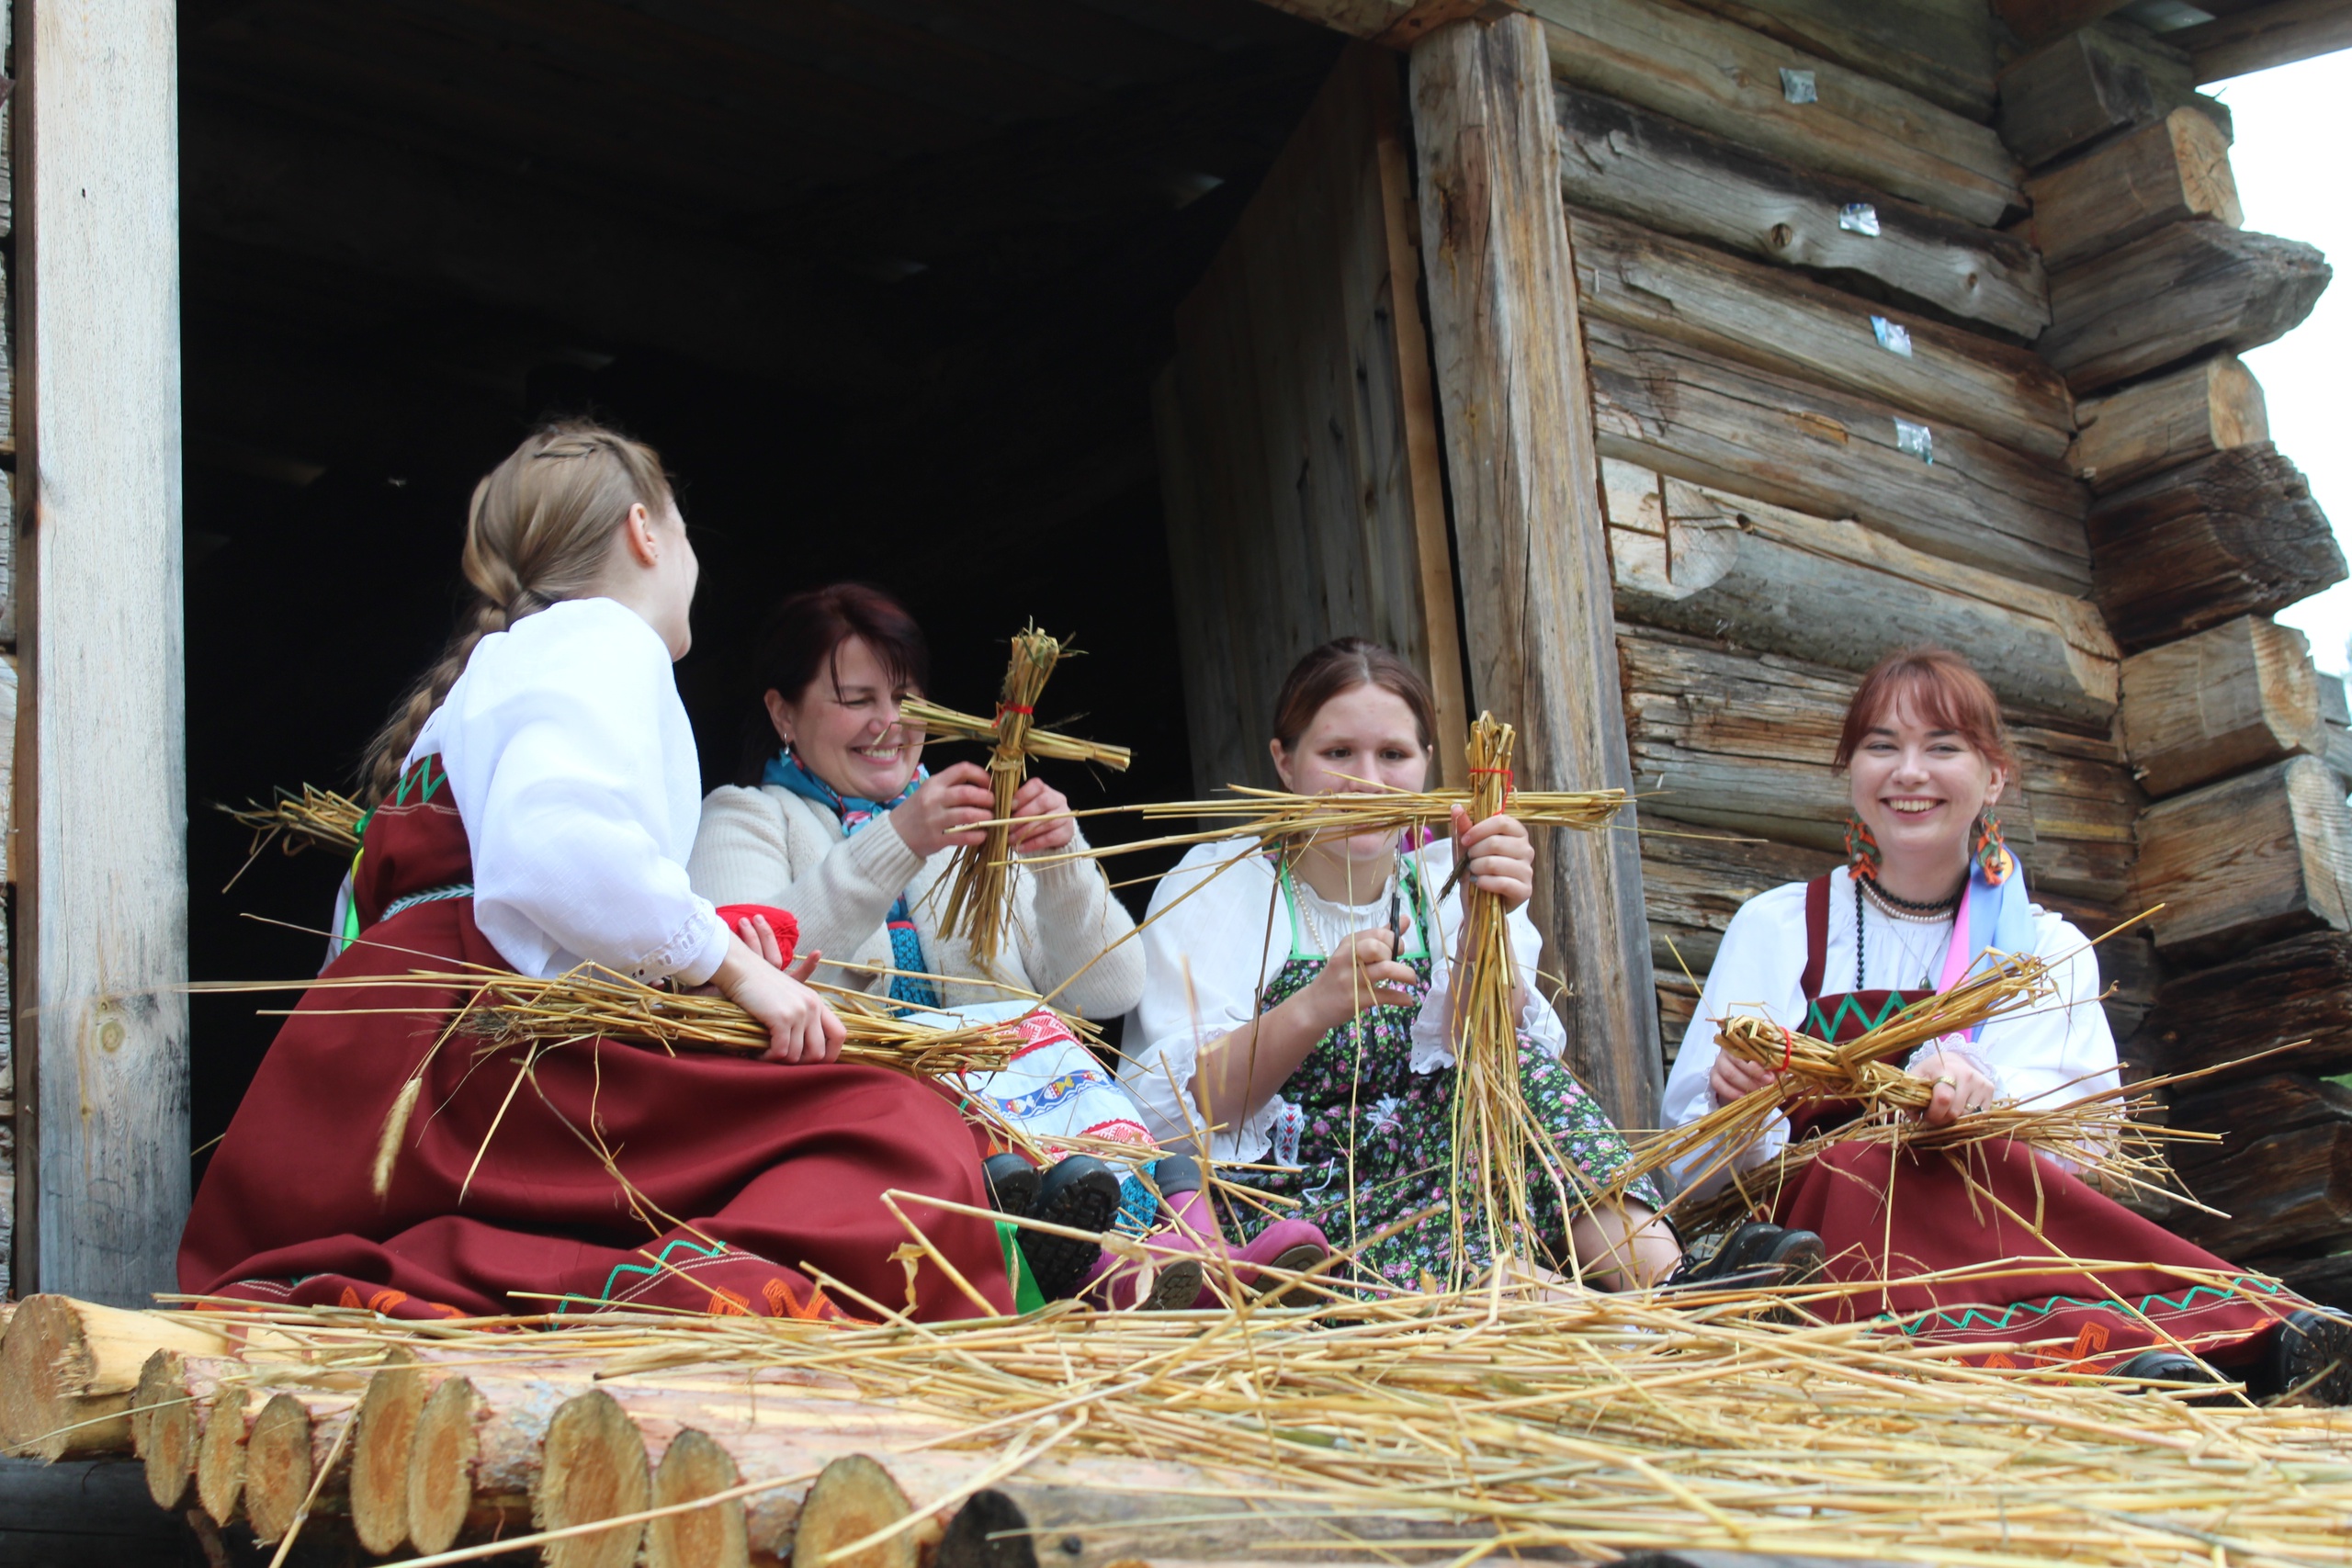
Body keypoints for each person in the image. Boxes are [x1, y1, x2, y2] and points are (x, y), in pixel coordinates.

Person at [179, 423, 1012, 1323]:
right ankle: (687, 1293)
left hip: (396, 1065)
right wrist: (735, 971)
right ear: (644, 531)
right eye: (684, 530)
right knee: (901, 1128)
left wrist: (701, 967)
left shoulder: (492, 675)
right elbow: (554, 843)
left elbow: (388, 913)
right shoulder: (603, 635)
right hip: (490, 1050)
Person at [1665, 645, 2351, 1398]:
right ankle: (2118, 1357)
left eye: (1942, 748)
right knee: (1860, 1165)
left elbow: (2084, 1140)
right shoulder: (1782, 927)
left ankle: (2241, 1343)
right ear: (1851, 769)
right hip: (1832, 1225)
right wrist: (1740, 1105)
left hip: (1992, 1217)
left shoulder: (2041, 949)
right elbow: (1689, 1171)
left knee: (1983, 1181)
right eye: (1881, 746)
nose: (1909, 772)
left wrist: (1985, 1094)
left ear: (1994, 776)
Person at [688, 584, 1327, 1307]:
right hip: (877, 1108)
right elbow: (745, 964)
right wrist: (897, 841)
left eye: (906, 698)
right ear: (783, 713)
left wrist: (1060, 860)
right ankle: (1114, 1270)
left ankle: (1194, 1253)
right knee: (1003, 1139)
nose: (888, 723)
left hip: (1011, 1103)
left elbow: (1110, 989)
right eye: (856, 699)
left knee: (1075, 1077)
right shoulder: (745, 818)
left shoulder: (972, 826)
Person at [1122, 637, 1703, 1293]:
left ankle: (1674, 1285)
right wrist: (1315, 1005)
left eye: (1394, 755)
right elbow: (1177, 1115)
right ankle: (1602, 1318)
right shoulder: (1222, 888)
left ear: (1427, 762)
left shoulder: (1443, 879)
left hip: (1449, 1175)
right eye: (1338, 753)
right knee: (1498, 1280)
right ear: (1285, 762)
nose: (1367, 779)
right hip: (1300, 1207)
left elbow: (1486, 1051)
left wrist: (1486, 920)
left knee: (1519, 1068)